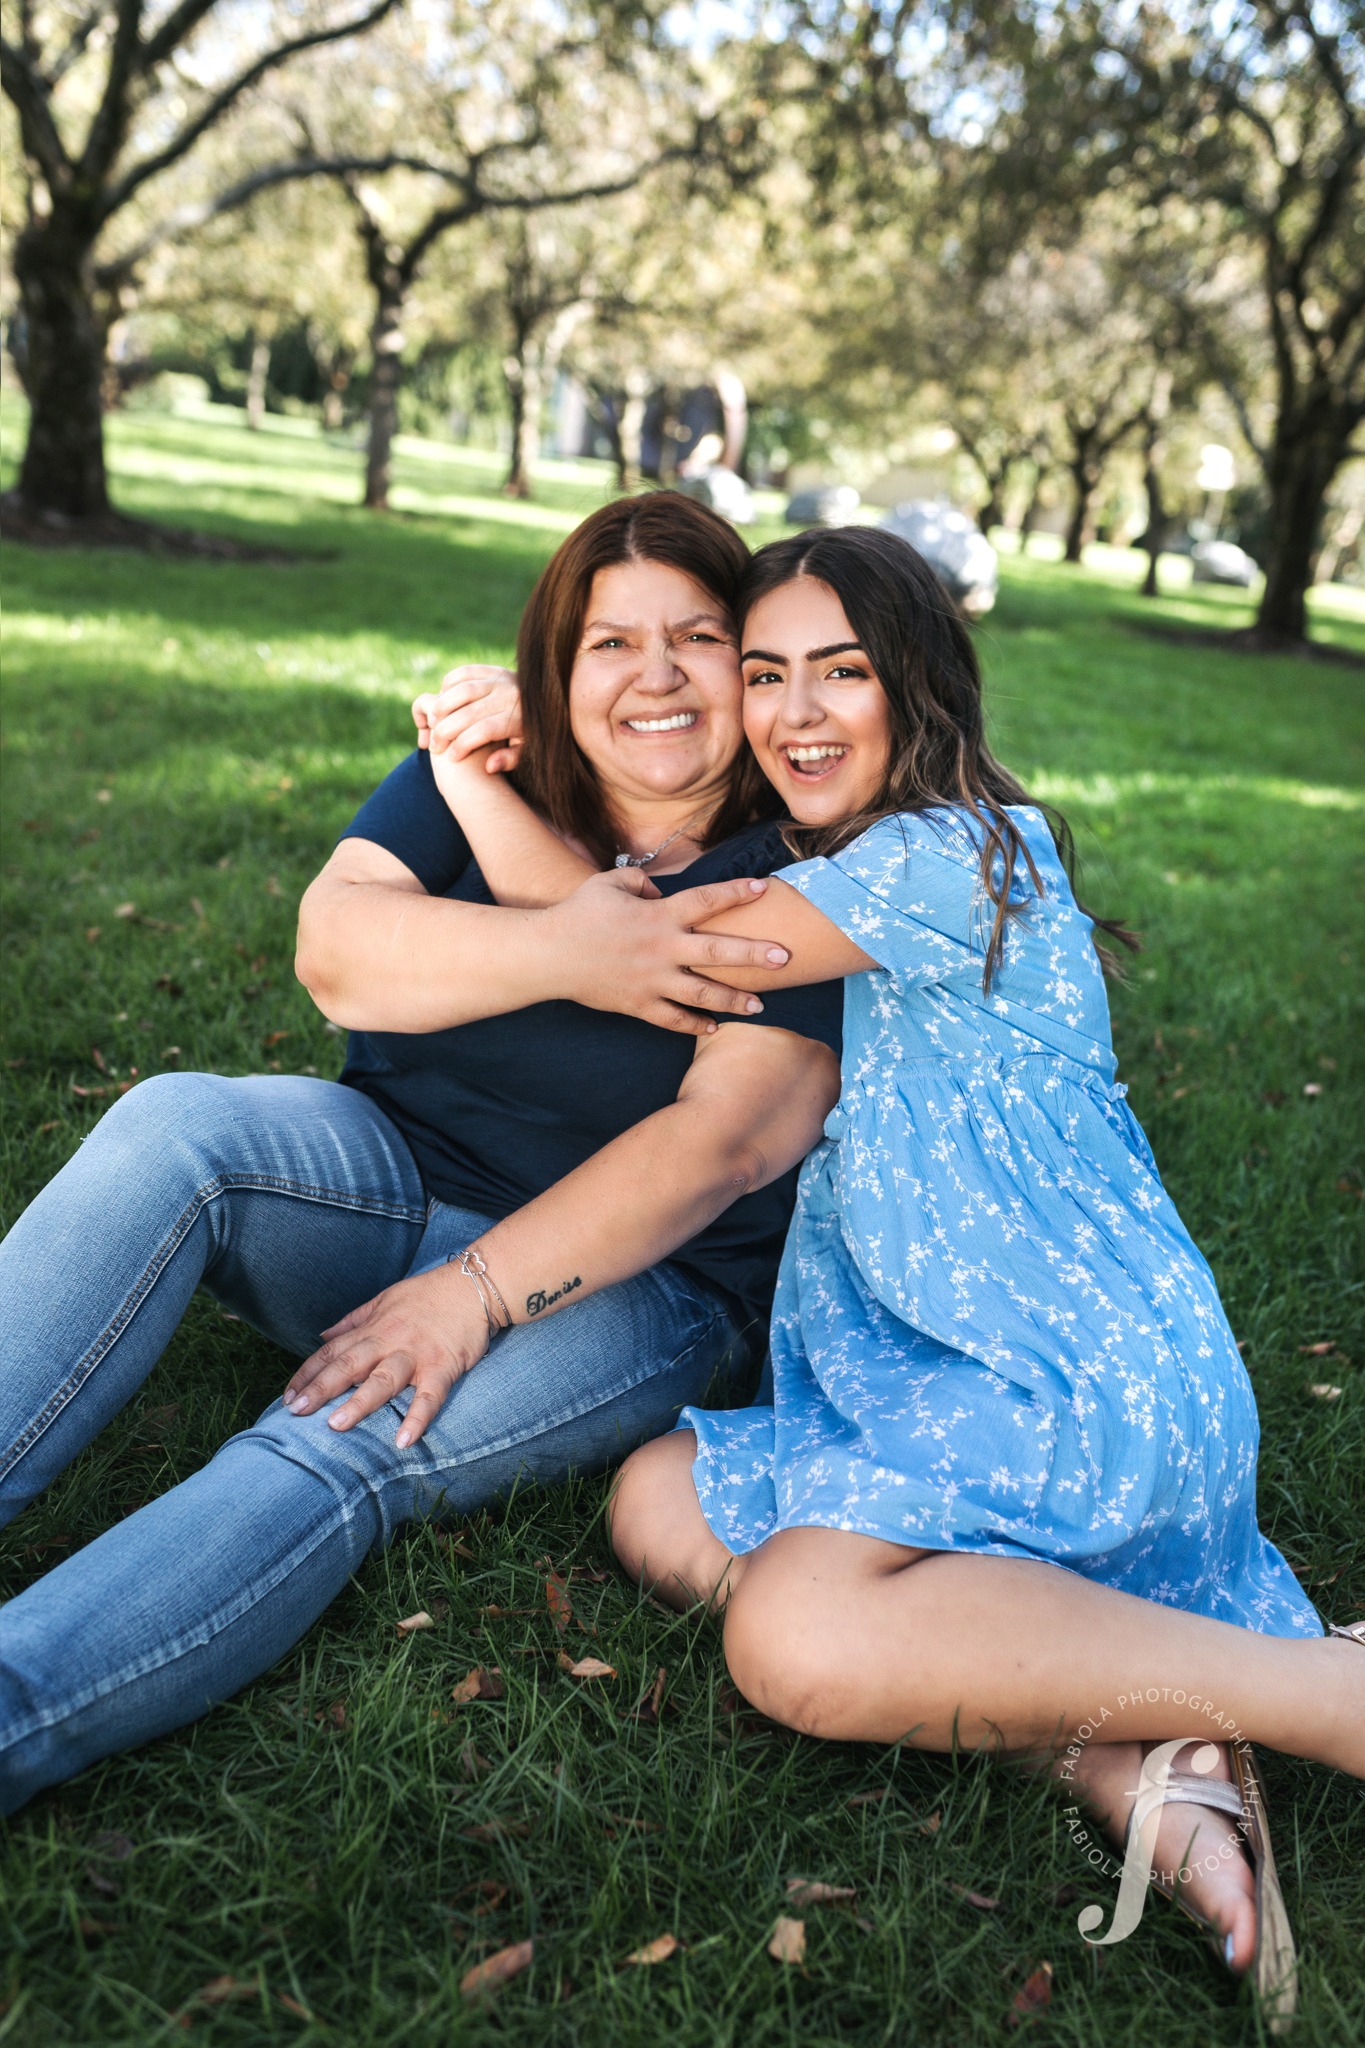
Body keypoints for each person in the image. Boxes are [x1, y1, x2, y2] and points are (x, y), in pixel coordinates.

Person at [591, 527, 1364, 2024]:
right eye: (762, 676)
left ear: (921, 685)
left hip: (1074, 1378)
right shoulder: (860, 866)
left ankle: (1326, 1704)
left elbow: (652, 946)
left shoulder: (947, 859)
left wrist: (482, 789)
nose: (795, 714)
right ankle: (1113, 1753)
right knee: (657, 1498)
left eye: (842, 672)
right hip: (932, 1377)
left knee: (795, 1638)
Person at [0, 494, 843, 1811]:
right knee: (178, 1126)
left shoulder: (807, 856)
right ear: (553, 667)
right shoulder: (489, 762)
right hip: (383, 1167)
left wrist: (471, 1295)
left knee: (334, 1439)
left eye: (697, 636)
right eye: (610, 643)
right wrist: (571, 945)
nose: (658, 676)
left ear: (752, 664)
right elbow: (337, 951)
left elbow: (720, 1149)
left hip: (643, 1283)